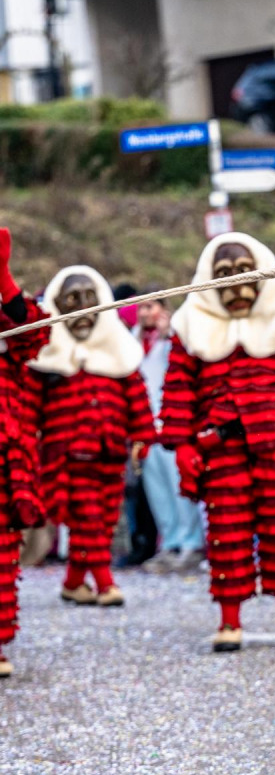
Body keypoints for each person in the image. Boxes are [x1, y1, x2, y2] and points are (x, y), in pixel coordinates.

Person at [159, 233, 275, 652]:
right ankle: (229, 621)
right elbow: (179, 386)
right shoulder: (190, 324)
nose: (237, 286)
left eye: (244, 274)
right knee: (226, 531)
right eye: (225, 276)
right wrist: (182, 444)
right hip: (219, 449)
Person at [27, 265, 154, 608]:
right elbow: (30, 407)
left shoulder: (118, 352)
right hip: (66, 455)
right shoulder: (46, 359)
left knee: (105, 518)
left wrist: (143, 437)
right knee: (87, 518)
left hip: (111, 452)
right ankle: (104, 583)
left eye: (89, 299)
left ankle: (73, 583)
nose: (82, 309)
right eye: (72, 300)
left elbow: (137, 396)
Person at [0, 228, 50, 677]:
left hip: (5, 464)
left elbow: (34, 335)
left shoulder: (8, 343)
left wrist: (4, 278)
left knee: (2, 555)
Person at [135, 295, 205, 575]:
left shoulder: (176, 334)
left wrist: (170, 334)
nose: (144, 313)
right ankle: (170, 541)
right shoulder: (134, 340)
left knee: (179, 486)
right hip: (147, 424)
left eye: (150, 306)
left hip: (171, 421)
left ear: (163, 309)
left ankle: (191, 543)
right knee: (158, 491)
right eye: (141, 307)